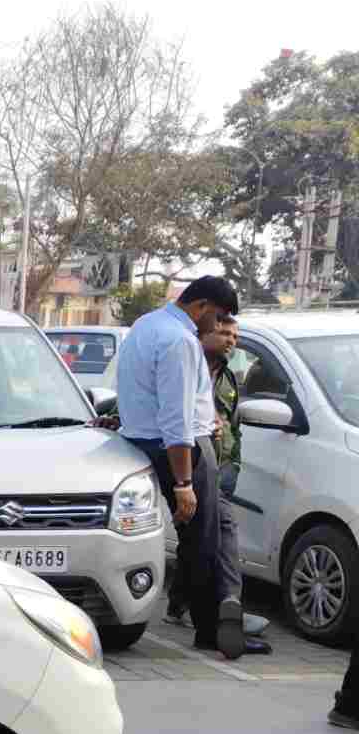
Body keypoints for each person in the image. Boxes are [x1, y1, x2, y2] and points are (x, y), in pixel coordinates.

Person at [111, 275, 244, 659]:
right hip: (181, 451)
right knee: (203, 541)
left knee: (209, 531)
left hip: (144, 442)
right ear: (201, 307)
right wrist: (184, 482)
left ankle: (215, 615)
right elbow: (176, 418)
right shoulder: (180, 340)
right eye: (218, 317)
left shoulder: (146, 325)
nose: (218, 326)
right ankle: (209, 629)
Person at [165, 316, 272, 649]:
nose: (231, 340)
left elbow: (233, 425)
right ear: (204, 334)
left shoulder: (228, 377)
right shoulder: (184, 366)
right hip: (188, 465)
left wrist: (233, 463)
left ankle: (181, 604)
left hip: (219, 469)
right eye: (224, 333)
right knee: (222, 532)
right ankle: (228, 606)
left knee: (198, 537)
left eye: (235, 336)